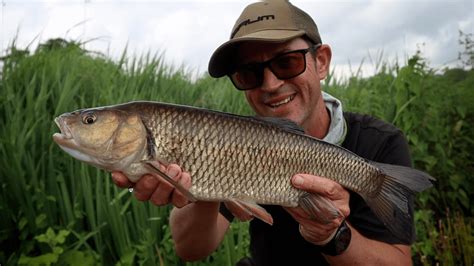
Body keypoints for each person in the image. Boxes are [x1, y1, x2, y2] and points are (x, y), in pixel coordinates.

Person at [112, 1, 415, 265]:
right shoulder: (234, 140)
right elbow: (190, 249)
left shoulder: (379, 142)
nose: (270, 85)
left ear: (320, 62)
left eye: (287, 63)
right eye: (249, 74)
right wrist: (202, 183)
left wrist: (332, 235)